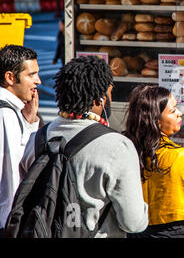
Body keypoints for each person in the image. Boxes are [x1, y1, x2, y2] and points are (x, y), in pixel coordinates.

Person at [20, 56, 148, 238]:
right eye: (110, 93)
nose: (110, 98)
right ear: (99, 100)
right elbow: (133, 223)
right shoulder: (118, 146)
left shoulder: (37, 139)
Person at [124, 85, 184, 238]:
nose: (180, 114)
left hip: (137, 230)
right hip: (178, 231)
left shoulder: (128, 149)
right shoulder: (181, 158)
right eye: (173, 111)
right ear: (155, 121)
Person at [0, 45, 41, 237]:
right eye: (31, 75)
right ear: (10, 78)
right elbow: (13, 172)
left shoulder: (15, 112)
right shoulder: (6, 115)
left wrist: (29, 122)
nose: (38, 81)